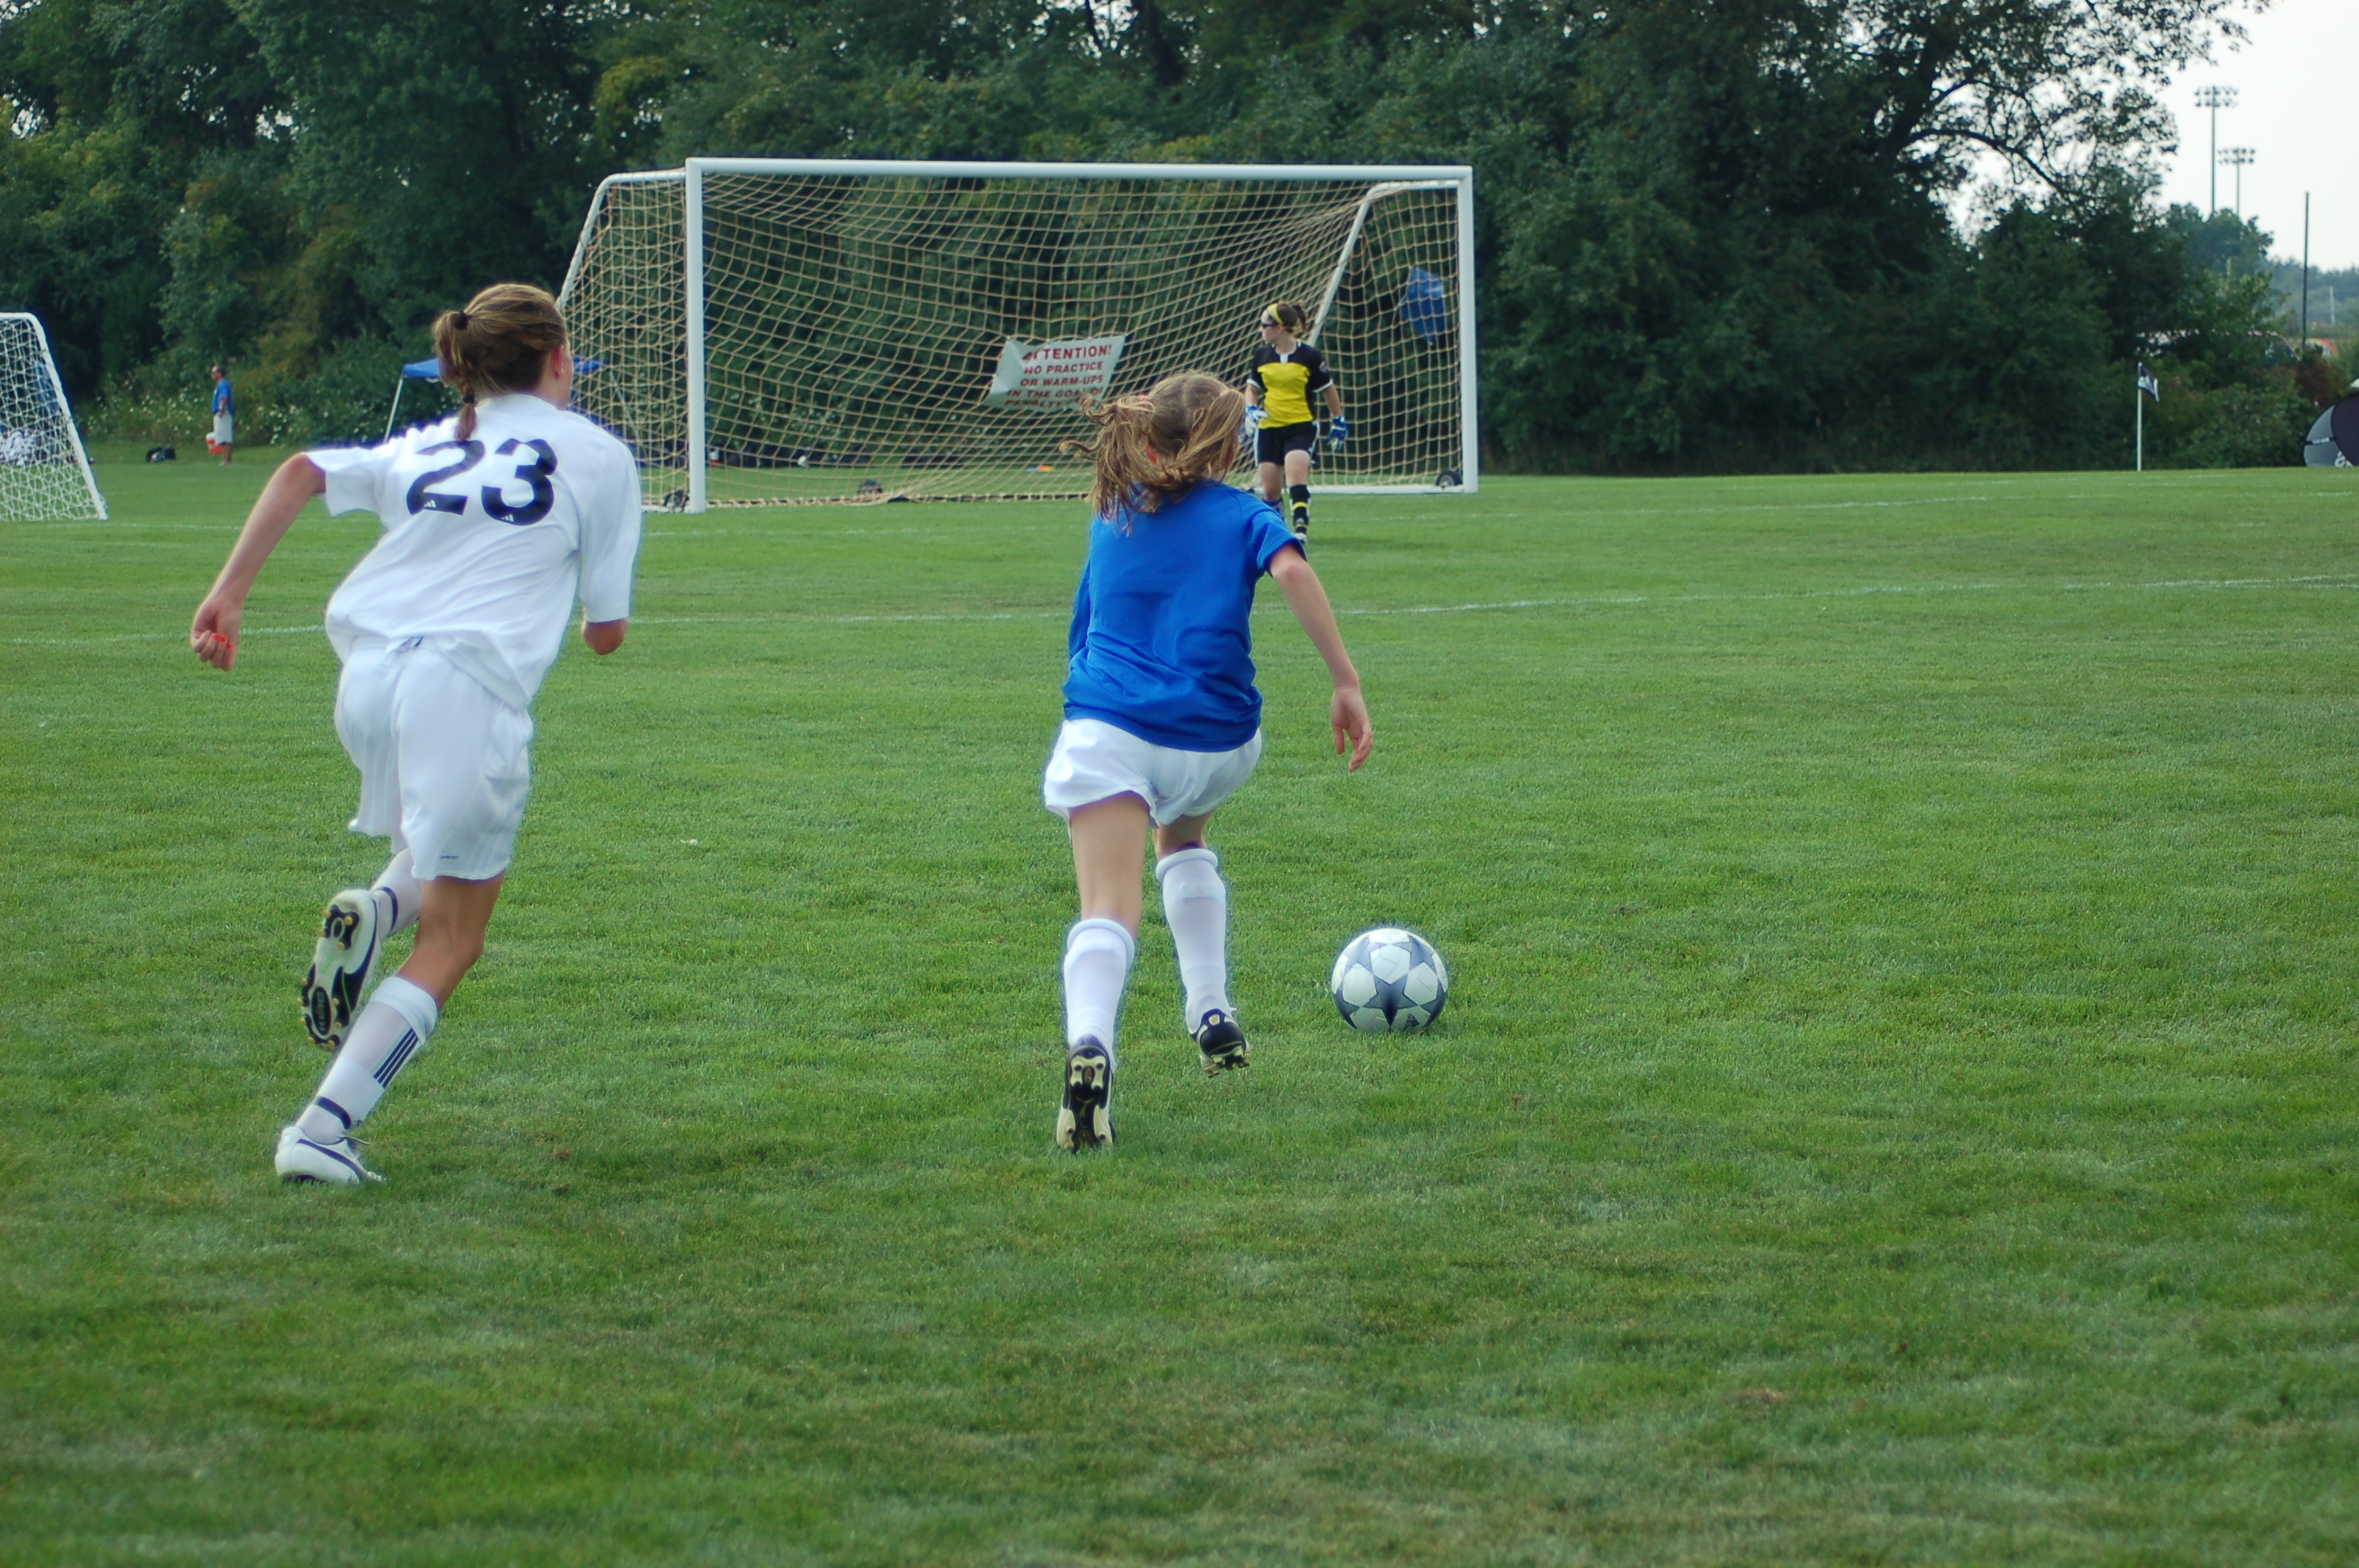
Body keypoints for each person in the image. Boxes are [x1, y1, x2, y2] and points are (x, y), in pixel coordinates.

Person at [188, 283, 642, 1185]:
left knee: (426, 851)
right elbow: (606, 633)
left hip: (368, 678)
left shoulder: (435, 440)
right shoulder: (595, 453)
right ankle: (322, 1128)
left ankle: (373, 909)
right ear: (560, 360)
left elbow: (299, 470)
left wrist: (227, 595)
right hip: (463, 688)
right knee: (453, 937)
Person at [1045, 371, 1373, 1150]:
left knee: (1108, 906)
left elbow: (1085, 619)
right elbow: (1292, 570)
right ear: (1227, 450)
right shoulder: (1246, 514)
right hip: (1216, 739)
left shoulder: (1113, 511)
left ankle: (1090, 1044)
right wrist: (1344, 681)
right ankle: (1211, 1009)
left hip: (1113, 728)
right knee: (1184, 839)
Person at [1242, 302, 1347, 539]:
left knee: (1295, 477)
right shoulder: (1262, 356)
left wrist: (1338, 421)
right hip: (1269, 428)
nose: (1261, 329)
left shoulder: (1309, 356)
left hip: (1300, 427)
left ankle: (1300, 530)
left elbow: (1328, 389)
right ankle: (1276, 530)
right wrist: (1250, 409)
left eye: (1264, 325)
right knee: (1270, 492)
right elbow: (1252, 389)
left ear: (1279, 328)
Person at [209, 365, 234, 466]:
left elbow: (224, 397)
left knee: (226, 437)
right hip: (220, 413)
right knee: (222, 437)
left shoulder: (223, 384)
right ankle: (225, 460)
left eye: (214, 373)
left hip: (224, 413)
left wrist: (222, 410)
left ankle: (226, 460)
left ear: (219, 374)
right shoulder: (220, 385)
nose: (212, 375)